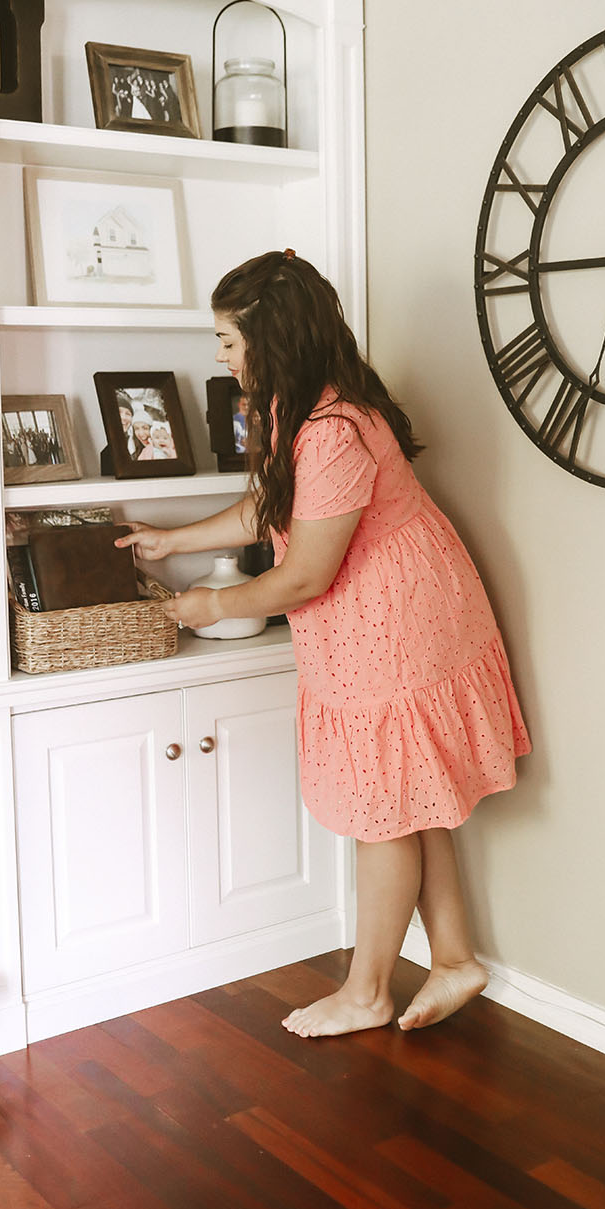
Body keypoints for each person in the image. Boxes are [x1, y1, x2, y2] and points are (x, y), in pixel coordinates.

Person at [116, 249, 530, 1038]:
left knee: (385, 809)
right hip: (371, 617)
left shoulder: (334, 429)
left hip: (399, 621)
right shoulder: (290, 405)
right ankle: (453, 960)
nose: (220, 355)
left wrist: (210, 603)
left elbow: (303, 573)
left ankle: (366, 991)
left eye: (229, 341)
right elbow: (267, 511)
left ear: (274, 340)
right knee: (413, 797)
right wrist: (171, 541)